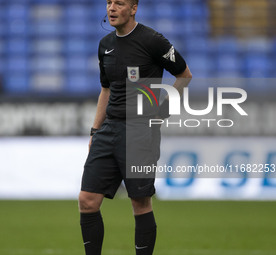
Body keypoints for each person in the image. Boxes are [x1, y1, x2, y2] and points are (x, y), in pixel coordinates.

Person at [78, 0, 192, 254]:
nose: (112, 8)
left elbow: (184, 75)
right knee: (87, 201)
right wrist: (95, 131)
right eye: (109, 2)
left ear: (133, 8)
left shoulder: (153, 40)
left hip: (140, 131)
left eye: (119, 3)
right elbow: (106, 89)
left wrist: (162, 112)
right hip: (109, 130)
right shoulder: (105, 45)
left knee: (140, 203)